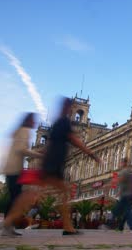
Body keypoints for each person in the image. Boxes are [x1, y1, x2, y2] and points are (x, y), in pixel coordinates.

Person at [41, 98, 101, 235]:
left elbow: (49, 144)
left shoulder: (58, 122)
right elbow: (75, 141)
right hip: (54, 162)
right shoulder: (64, 122)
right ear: (69, 108)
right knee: (55, 194)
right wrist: (92, 154)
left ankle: (68, 227)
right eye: (72, 107)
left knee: (60, 194)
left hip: (52, 162)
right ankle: (68, 227)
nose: (73, 110)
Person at [0, 113, 44, 237]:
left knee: (14, 198)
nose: (34, 123)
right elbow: (21, 150)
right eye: (33, 120)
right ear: (28, 121)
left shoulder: (20, 130)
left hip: (12, 168)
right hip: (14, 169)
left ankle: (8, 226)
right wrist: (39, 155)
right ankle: (6, 225)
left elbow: (21, 149)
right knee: (16, 199)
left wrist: (36, 152)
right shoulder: (25, 131)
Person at [112, 158, 132, 233]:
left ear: (124, 163)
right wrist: (119, 192)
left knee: (117, 211)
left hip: (126, 195)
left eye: (120, 162)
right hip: (127, 194)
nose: (119, 164)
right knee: (126, 211)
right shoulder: (129, 171)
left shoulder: (124, 171)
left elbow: (121, 180)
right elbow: (124, 184)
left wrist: (110, 183)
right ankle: (122, 228)